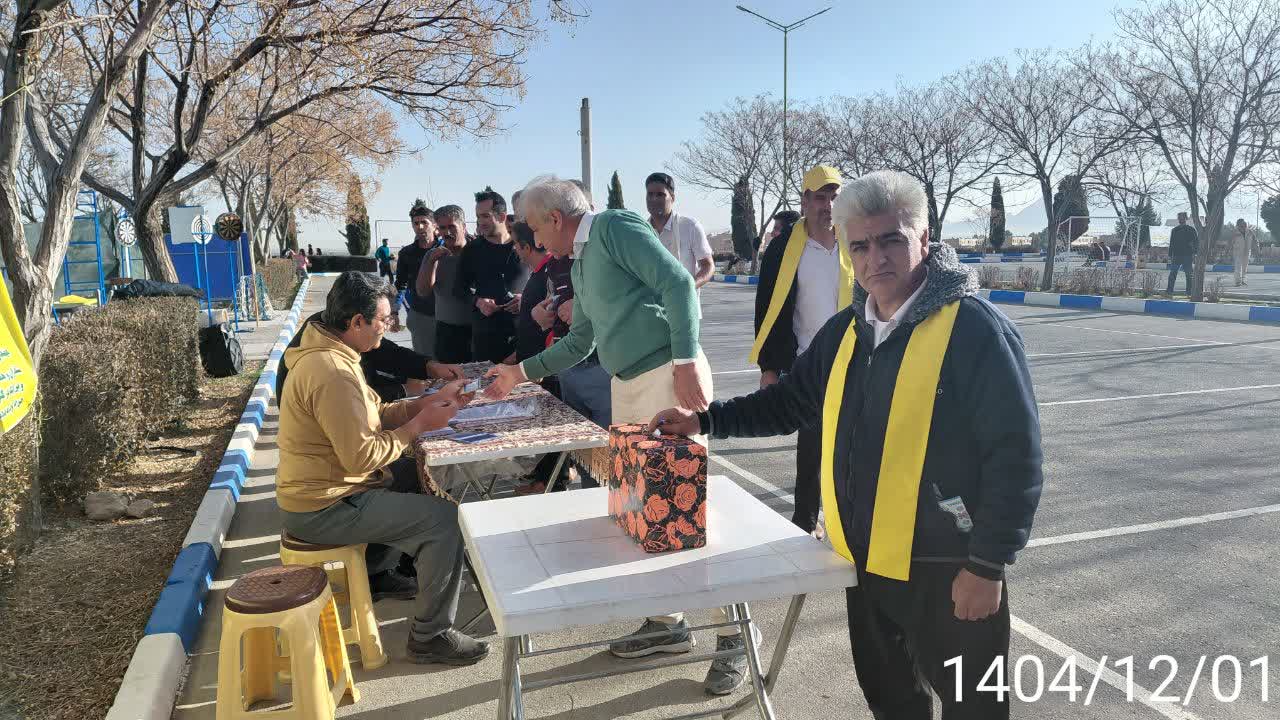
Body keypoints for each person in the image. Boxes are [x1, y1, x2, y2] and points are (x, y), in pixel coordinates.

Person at [651, 170, 1044, 720]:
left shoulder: (975, 331)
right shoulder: (845, 332)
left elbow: (1016, 457)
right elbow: (787, 403)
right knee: (893, 703)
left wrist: (987, 565)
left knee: (975, 710)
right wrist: (704, 421)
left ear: (924, 238)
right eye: (860, 245)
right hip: (866, 568)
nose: (875, 258)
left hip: (950, 570)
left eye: (891, 240)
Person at [483, 177, 750, 696]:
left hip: (667, 380)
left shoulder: (614, 228)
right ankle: (667, 623)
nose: (535, 240)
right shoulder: (579, 262)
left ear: (556, 219)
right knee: (642, 512)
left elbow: (678, 283)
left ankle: (733, 634)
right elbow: (581, 340)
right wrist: (520, 373)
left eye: (535, 228)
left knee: (684, 511)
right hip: (628, 386)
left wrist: (684, 360)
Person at [276, 271, 489, 665]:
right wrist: (419, 426)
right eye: (384, 319)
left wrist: (424, 404)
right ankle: (430, 636)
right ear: (357, 321)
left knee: (414, 478)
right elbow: (362, 457)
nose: (389, 327)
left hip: (327, 492)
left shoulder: (335, 353)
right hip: (324, 505)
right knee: (444, 520)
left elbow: (376, 413)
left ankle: (377, 572)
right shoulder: (332, 372)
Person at [751, 165, 850, 533]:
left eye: (834, 197)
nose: (828, 205)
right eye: (820, 198)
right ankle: (806, 522)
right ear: (805, 201)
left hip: (854, 359)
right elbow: (768, 309)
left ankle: (849, 523)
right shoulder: (783, 249)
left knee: (851, 446)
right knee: (812, 449)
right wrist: (769, 367)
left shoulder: (855, 242)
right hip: (808, 363)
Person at [506, 220, 571, 494]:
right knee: (547, 427)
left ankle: (551, 483)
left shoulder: (549, 270)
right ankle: (543, 478)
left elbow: (554, 318)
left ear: (526, 246)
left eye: (515, 244)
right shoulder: (540, 272)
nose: (514, 250)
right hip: (536, 362)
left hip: (548, 364)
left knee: (556, 429)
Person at [458, 188, 526, 363]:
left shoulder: (525, 245)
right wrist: (478, 302)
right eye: (478, 217)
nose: (480, 222)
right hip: (486, 339)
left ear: (502, 216)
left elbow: (544, 282)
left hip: (524, 336)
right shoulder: (472, 250)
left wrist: (525, 299)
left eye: (485, 216)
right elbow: (458, 289)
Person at [645, 172, 714, 291]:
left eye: (660, 195)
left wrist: (688, 287)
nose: (654, 199)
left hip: (683, 300)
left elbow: (708, 266)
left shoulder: (690, 227)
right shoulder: (642, 231)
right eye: (650, 194)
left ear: (672, 198)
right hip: (650, 301)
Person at [422, 205, 474, 363]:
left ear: (463, 226)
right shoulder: (433, 255)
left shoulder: (478, 252)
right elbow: (422, 291)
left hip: (477, 331)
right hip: (447, 333)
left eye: (452, 226)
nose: (447, 232)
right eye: (442, 228)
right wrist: (432, 262)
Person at [396, 200, 441, 354]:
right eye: (416, 223)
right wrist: (395, 311)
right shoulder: (406, 254)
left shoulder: (446, 250)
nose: (420, 227)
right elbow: (400, 285)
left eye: (424, 222)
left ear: (434, 225)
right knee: (425, 361)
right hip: (421, 316)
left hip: (449, 316)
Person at [1167, 212, 1199, 295]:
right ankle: (1169, 291)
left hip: (1187, 256)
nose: (1180, 219)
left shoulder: (1191, 230)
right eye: (1179, 218)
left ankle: (1189, 292)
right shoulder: (1174, 230)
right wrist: (1170, 255)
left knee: (1189, 275)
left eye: (1182, 217)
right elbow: (1171, 243)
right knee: (1172, 274)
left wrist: (1195, 253)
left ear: (1186, 218)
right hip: (1176, 256)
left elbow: (1196, 242)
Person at [1234, 218, 1252, 287]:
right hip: (1238, 252)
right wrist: (1227, 251)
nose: (1243, 225)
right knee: (1238, 267)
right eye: (1241, 224)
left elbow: (1255, 240)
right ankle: (1237, 282)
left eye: (1244, 224)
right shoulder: (1235, 233)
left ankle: (1243, 280)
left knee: (1244, 267)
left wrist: (1257, 248)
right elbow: (1230, 242)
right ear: (1238, 225)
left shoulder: (1249, 231)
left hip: (1247, 252)